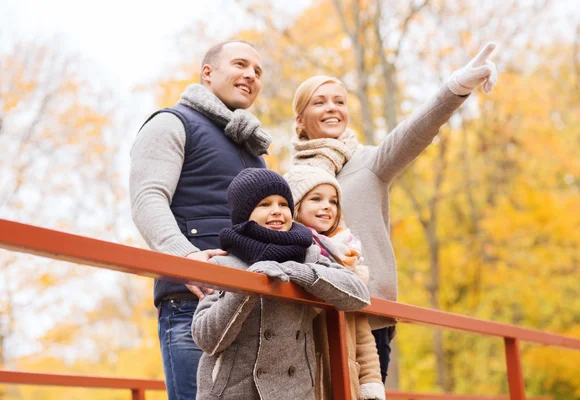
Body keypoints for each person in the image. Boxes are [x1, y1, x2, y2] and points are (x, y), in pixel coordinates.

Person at [289, 43, 499, 382]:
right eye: (320, 101)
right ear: (300, 120)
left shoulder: (370, 163)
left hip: (368, 317)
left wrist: (457, 85)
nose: (332, 108)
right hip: (307, 318)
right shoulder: (288, 181)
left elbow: (416, 130)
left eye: (339, 101)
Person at [129, 40, 270, 399]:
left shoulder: (253, 151)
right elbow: (148, 198)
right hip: (193, 304)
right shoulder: (171, 123)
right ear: (207, 73)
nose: (251, 75)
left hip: (251, 305)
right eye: (240, 64)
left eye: (258, 71)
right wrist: (186, 256)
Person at [191, 168, 371, 400]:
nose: (277, 211)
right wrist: (249, 285)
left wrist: (298, 272)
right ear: (244, 213)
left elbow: (358, 294)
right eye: (264, 204)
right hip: (234, 392)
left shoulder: (309, 255)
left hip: (296, 391)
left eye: (283, 204)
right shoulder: (222, 263)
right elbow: (207, 339)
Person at [285, 165, 386, 400]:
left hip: (343, 374)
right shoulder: (289, 253)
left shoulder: (348, 258)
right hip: (304, 375)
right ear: (296, 206)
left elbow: (361, 330)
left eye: (333, 201)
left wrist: (370, 382)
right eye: (316, 198)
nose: (327, 206)